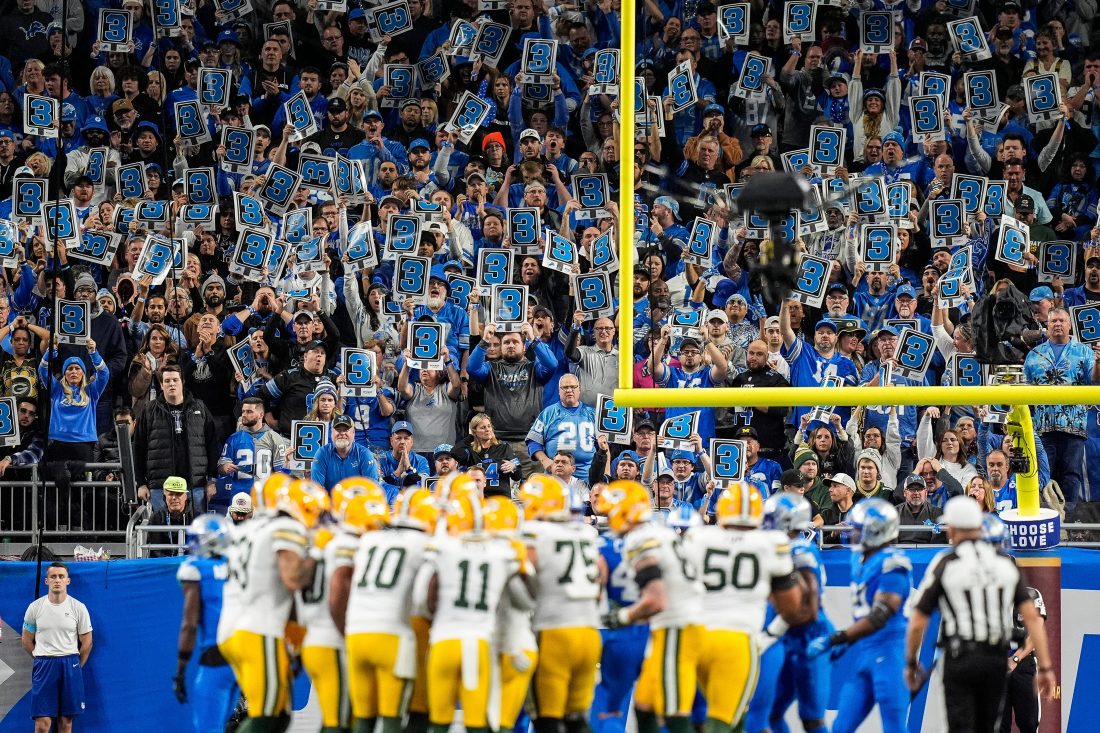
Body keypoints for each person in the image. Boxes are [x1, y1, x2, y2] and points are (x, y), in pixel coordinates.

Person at [904, 496, 1058, 732]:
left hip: (960, 656)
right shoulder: (1004, 564)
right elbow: (1032, 620)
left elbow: (917, 621)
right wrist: (1046, 667)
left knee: (962, 726)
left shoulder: (946, 562)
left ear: (954, 527)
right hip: (994, 658)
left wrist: (910, 663)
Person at [687, 483, 806, 733]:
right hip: (737, 639)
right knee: (723, 720)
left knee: (717, 716)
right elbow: (792, 606)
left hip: (695, 637)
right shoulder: (770, 543)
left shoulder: (699, 537)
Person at [412, 491, 530, 733]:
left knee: (438, 722)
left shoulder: (444, 547)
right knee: (478, 723)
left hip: (444, 640)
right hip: (480, 643)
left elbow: (422, 600)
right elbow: (526, 600)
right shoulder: (504, 553)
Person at [218, 477, 327, 730]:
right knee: (267, 715)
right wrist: (319, 551)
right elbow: (292, 578)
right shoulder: (284, 527)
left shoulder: (248, 530)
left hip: (233, 628)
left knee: (277, 715)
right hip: (258, 631)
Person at [329, 488, 441, 733]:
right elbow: (424, 596)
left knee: (363, 719)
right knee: (392, 718)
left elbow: (343, 584)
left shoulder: (369, 539)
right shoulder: (424, 544)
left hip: (356, 633)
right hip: (393, 634)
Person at [597, 480, 703, 733]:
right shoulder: (662, 532)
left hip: (678, 625)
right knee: (644, 704)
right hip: (684, 621)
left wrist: (621, 616)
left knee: (673, 710)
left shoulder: (640, 539)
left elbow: (655, 600)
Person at [808, 498, 913, 733]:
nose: (852, 533)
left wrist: (838, 637)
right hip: (865, 653)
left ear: (874, 531)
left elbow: (879, 616)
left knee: (895, 727)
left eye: (857, 528)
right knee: (841, 727)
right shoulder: (860, 558)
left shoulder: (893, 564)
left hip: (890, 654)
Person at [517, 474, 604, 733]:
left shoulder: (534, 532)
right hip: (589, 633)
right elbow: (599, 579)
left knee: (548, 719)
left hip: (554, 631)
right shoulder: (586, 532)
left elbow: (524, 575)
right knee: (576, 720)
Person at [746, 493, 832, 733]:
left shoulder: (800, 550)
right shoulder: (780, 547)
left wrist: (775, 630)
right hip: (786, 638)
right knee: (770, 712)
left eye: (770, 517)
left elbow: (809, 609)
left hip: (807, 637)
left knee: (812, 718)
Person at [174, 514, 239, 733]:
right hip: (243, 656)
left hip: (216, 656)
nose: (193, 544)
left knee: (208, 728)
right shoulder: (238, 564)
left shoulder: (195, 569)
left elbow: (189, 625)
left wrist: (181, 668)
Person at [133, 364, 220, 513]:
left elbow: (212, 445)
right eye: (167, 381)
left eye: (175, 380)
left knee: (195, 533)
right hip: (161, 486)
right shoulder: (149, 411)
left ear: (182, 382)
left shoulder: (199, 407)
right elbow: (138, 449)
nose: (171, 384)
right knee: (163, 534)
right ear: (161, 385)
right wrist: (141, 483)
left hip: (195, 485)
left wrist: (212, 480)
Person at [21, 561, 93, 733]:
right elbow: (26, 640)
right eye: (53, 577)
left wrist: (76, 665)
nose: (57, 580)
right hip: (44, 666)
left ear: (68, 581)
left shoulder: (78, 608)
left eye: (61, 576)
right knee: (42, 724)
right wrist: (41, 657)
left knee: (66, 722)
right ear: (46, 581)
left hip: (70, 665)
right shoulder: (35, 608)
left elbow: (87, 642)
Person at [527, 375, 598, 483]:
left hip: (587, 476)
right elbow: (533, 441)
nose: (569, 390)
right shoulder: (548, 413)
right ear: (559, 391)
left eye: (573, 387)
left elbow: (602, 447)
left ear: (579, 389)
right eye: (565, 387)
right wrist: (544, 460)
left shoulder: (593, 413)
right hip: (556, 476)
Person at [310, 414, 382, 490]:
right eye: (338, 429)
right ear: (331, 433)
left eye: (346, 430)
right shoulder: (321, 454)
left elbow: (371, 488)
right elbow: (317, 489)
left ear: (353, 432)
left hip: (357, 500)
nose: (342, 433)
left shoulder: (364, 454)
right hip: (330, 501)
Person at [147, 476, 198, 557]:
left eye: (179, 494)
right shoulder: (157, 518)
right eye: (171, 494)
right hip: (166, 564)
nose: (174, 498)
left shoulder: (197, 517)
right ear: (164, 497)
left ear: (186, 496)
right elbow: (155, 551)